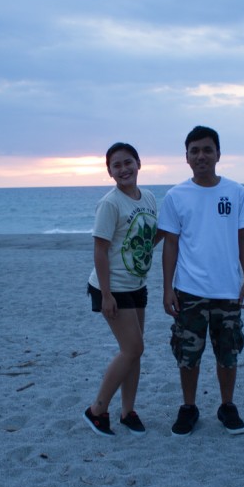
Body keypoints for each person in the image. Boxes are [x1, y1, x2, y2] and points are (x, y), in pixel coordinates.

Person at [158, 126, 244, 437]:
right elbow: (170, 244)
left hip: (227, 290)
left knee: (228, 353)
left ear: (218, 154)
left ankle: (227, 406)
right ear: (186, 157)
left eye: (207, 149)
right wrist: (167, 288)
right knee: (188, 354)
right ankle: (189, 407)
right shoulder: (175, 196)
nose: (201, 155)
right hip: (189, 290)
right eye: (195, 150)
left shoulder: (236, 192)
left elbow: (243, 239)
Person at [83, 142, 160, 437]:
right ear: (109, 172)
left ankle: (128, 411)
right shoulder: (110, 203)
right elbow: (100, 250)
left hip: (137, 284)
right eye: (117, 165)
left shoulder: (149, 197)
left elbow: (147, 236)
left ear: (139, 164)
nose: (124, 169)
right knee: (133, 348)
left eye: (128, 162)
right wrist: (106, 295)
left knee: (133, 352)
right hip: (112, 287)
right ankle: (96, 410)